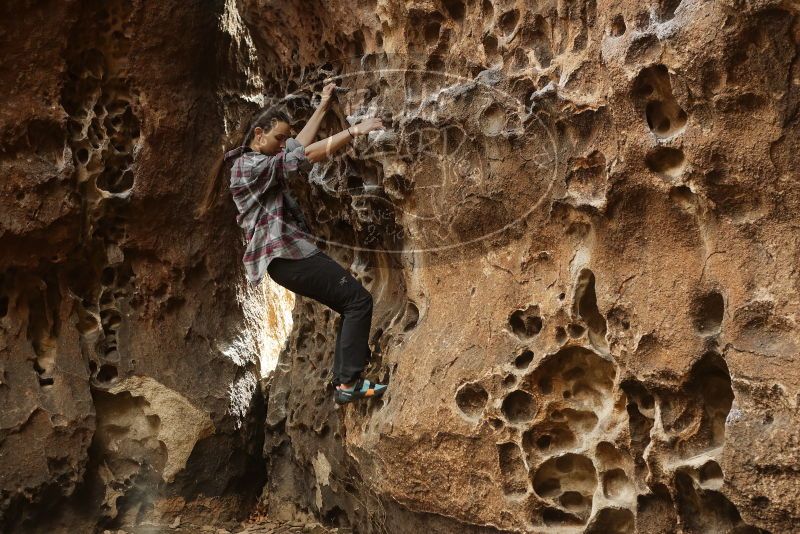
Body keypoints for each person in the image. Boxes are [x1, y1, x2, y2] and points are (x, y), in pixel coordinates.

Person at [197, 83, 387, 405]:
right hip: (288, 258)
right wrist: (354, 131)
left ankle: (345, 384)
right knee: (359, 301)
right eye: (277, 138)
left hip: (288, 260)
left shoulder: (261, 164)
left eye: (284, 139)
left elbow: (296, 148)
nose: (282, 144)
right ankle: (348, 384)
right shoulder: (246, 167)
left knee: (349, 304)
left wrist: (324, 106)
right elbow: (304, 154)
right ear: (259, 135)